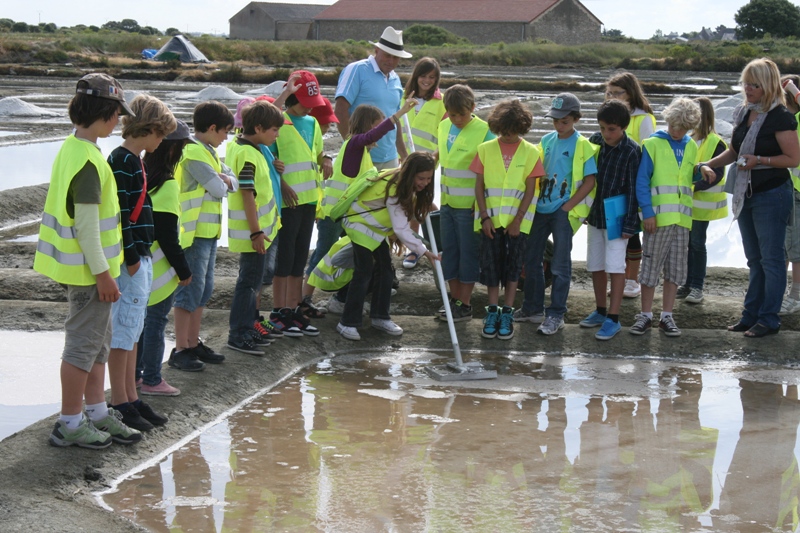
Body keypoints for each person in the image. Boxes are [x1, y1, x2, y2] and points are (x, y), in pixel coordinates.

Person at [34, 73, 139, 448]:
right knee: (82, 346)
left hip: (90, 271)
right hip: (88, 273)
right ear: (107, 113)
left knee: (98, 344)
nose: (118, 122)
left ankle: (95, 413)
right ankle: (69, 422)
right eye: (116, 114)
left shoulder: (75, 147)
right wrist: (103, 276)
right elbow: (87, 228)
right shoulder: (89, 162)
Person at [700, 58, 800, 337]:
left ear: (767, 85)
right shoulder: (745, 112)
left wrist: (760, 160)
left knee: (772, 260)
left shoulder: (781, 115)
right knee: (754, 260)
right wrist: (709, 164)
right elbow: (734, 150)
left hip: (772, 195)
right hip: (747, 193)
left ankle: (769, 319)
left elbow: (793, 158)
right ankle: (750, 315)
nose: (748, 88)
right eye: (745, 82)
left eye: (754, 84)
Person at [106, 94, 176, 431]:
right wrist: (132, 257)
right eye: (160, 135)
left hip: (141, 256)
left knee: (133, 330)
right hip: (131, 260)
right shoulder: (122, 161)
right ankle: (119, 401)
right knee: (122, 334)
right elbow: (120, 214)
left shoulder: (135, 160)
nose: (161, 142)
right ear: (148, 129)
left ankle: (131, 396)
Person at [312, 100, 419, 313]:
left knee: (362, 257)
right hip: (334, 213)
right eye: (375, 126)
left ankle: (348, 296)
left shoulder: (363, 154)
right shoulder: (354, 144)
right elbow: (371, 136)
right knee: (325, 254)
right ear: (367, 126)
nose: (379, 133)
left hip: (347, 214)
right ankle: (309, 300)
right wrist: (399, 114)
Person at [516, 93, 597, 335]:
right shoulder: (546, 140)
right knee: (532, 261)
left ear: (576, 119)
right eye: (555, 120)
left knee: (561, 265)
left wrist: (568, 206)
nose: (559, 125)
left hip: (562, 213)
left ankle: (556, 313)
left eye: (564, 121)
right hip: (540, 209)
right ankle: (532, 308)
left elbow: (590, 181)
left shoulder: (583, 145)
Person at [335, 152, 438, 340]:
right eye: (421, 178)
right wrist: (424, 251)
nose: (424, 183)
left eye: (429, 178)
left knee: (386, 271)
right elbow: (401, 228)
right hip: (359, 224)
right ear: (410, 173)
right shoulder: (395, 188)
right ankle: (347, 322)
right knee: (364, 271)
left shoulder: (403, 181)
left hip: (374, 229)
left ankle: (380, 317)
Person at [171, 101, 237, 369]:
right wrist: (224, 180)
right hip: (193, 232)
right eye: (224, 132)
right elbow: (220, 188)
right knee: (190, 290)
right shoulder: (194, 153)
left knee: (205, 288)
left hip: (208, 232)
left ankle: (192, 342)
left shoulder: (208, 152)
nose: (226, 138)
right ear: (211, 128)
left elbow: (231, 180)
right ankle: (180, 348)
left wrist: (224, 179)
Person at [630, 97, 701, 337]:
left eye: (682, 128)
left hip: (682, 220)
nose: (677, 131)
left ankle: (667, 316)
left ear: (690, 127)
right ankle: (645, 315)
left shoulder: (691, 145)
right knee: (650, 268)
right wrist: (647, 213)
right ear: (667, 121)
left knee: (676, 271)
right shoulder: (652, 144)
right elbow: (642, 182)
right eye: (673, 126)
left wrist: (702, 171)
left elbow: (686, 177)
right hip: (657, 220)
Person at [473, 100, 543, 340]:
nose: (508, 135)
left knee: (513, 270)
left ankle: (507, 314)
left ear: (522, 127)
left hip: (518, 225)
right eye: (504, 130)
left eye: (513, 130)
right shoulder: (485, 149)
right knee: (491, 269)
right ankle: (492, 312)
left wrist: (517, 221)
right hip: (489, 222)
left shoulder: (532, 152)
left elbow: (531, 190)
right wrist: (484, 217)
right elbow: (479, 186)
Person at [137, 120, 197, 396]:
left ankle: (136, 376)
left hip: (139, 259)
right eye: (182, 148)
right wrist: (184, 270)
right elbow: (167, 235)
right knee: (156, 321)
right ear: (172, 150)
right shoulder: (168, 184)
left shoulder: (141, 172)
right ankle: (151, 378)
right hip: (160, 266)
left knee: (138, 323)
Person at [268, 70, 326, 337]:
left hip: (310, 200)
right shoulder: (279, 122)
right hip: (288, 201)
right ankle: (279, 311)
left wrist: (326, 159)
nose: (309, 107)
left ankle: (293, 310)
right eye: (304, 101)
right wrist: (282, 184)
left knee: (301, 255)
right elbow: (260, 120)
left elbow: (316, 154)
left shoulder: (313, 124)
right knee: (285, 256)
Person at [226, 100, 284, 354]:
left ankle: (249, 325)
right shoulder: (248, 153)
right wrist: (256, 232)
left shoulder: (246, 148)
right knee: (248, 283)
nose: (277, 135)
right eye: (274, 130)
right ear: (258, 128)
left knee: (253, 281)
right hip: (253, 234)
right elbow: (247, 194)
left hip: (258, 233)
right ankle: (238, 333)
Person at [580, 100, 641, 340]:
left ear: (623, 127)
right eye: (603, 127)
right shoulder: (594, 142)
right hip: (595, 214)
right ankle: (600, 309)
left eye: (612, 129)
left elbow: (635, 189)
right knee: (596, 264)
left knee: (616, 266)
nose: (606, 133)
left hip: (618, 216)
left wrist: (630, 224)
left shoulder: (632, 150)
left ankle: (613, 318)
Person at [436, 84, 495, 322]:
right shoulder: (442, 127)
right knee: (449, 252)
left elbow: (491, 173)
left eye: (462, 114)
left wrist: (483, 208)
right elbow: (440, 160)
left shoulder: (485, 131)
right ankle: (454, 300)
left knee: (468, 255)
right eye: (453, 114)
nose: (458, 119)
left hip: (470, 208)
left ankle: (465, 304)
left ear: (473, 108)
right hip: (447, 204)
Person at [606, 71, 656, 299]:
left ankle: (631, 281)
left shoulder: (642, 118)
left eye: (618, 93)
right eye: (609, 93)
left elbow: (648, 155)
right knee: (615, 234)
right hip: (614, 185)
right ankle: (619, 278)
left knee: (632, 234)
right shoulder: (609, 117)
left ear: (631, 93)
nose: (613, 97)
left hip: (634, 184)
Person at [335, 26, 411, 170]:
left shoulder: (395, 79)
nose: (391, 61)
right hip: (362, 157)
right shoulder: (357, 70)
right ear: (376, 51)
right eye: (387, 55)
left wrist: (403, 154)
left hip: (390, 158)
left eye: (395, 57)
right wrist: (352, 146)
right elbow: (340, 110)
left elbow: (395, 120)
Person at [677, 97, 728, 305]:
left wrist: (691, 187)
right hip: (686, 204)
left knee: (697, 244)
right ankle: (688, 283)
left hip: (702, 204)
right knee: (688, 245)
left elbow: (717, 173)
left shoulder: (717, 143)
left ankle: (697, 286)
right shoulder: (687, 139)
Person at [400, 56, 447, 269]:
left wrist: (433, 159)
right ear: (416, 75)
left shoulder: (442, 102)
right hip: (404, 159)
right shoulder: (403, 97)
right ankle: (432, 239)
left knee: (420, 202)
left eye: (432, 77)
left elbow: (447, 133)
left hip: (427, 162)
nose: (427, 80)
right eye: (423, 75)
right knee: (412, 202)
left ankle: (415, 249)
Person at [779, 75, 800, 315]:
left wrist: (792, 87)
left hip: (797, 192)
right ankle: (780, 292)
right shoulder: (789, 120)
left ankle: (795, 295)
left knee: (796, 248)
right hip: (789, 190)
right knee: (785, 244)